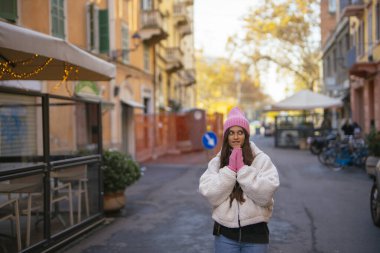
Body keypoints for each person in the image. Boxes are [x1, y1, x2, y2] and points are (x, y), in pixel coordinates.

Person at [199, 107, 280, 253]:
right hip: (225, 235)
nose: (236, 137)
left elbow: (265, 195)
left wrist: (243, 170)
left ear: (246, 135)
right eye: (231, 133)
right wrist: (229, 170)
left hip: (256, 234)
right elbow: (211, 194)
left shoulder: (261, 160)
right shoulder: (217, 162)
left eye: (240, 132)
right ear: (226, 136)